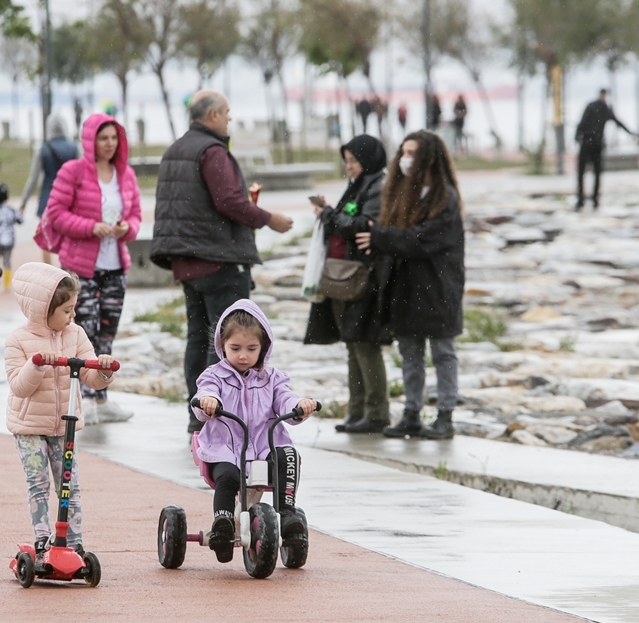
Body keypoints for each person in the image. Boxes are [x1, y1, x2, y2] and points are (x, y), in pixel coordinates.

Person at [150, 90, 294, 432]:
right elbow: (228, 200)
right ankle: (222, 420)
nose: (229, 118)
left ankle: (196, 416)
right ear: (212, 114)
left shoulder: (176, 149)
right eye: (227, 112)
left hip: (188, 261)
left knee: (198, 339)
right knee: (227, 342)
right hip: (219, 261)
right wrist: (268, 218)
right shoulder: (212, 151)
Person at [355, 131, 465, 440]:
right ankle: (411, 414)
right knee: (411, 354)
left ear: (429, 157)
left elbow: (424, 239)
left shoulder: (445, 197)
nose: (404, 159)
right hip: (405, 287)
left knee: (443, 352)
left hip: (439, 286)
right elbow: (400, 236)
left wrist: (381, 237)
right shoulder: (400, 191)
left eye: (412, 152)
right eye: (403, 151)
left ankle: (445, 416)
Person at [4, 263, 117, 557]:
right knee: (38, 482)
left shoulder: (75, 335)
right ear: (45, 310)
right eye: (67, 310)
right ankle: (42, 537)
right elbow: (19, 386)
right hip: (29, 426)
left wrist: (103, 370)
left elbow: (91, 376)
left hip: (63, 427)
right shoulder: (18, 340)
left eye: (73, 308)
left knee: (69, 486)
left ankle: (73, 540)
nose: (73, 315)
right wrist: (37, 364)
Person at [192, 300, 315, 562]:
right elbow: (204, 395)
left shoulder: (272, 379)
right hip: (225, 447)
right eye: (235, 348)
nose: (243, 356)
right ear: (222, 345)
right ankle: (223, 524)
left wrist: (299, 405)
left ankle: (288, 513)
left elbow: (285, 398)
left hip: (263, 446)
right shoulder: (214, 376)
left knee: (288, 455)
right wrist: (208, 402)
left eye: (252, 349)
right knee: (227, 475)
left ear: (264, 348)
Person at [43, 113, 142, 425]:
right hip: (81, 268)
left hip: (115, 267)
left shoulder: (125, 175)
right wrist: (91, 227)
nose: (110, 144)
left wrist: (127, 228)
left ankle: (102, 396)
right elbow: (55, 213)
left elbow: (137, 215)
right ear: (90, 140)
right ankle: (85, 399)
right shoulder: (73, 172)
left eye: (114, 138)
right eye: (103, 138)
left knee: (108, 334)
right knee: (85, 334)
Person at [304, 134, 390, 434]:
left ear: (368, 160)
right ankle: (357, 410)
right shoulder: (359, 185)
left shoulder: (378, 185)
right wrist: (332, 214)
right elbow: (350, 220)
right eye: (347, 161)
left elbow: (361, 225)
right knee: (352, 343)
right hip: (342, 274)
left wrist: (329, 215)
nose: (349, 167)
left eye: (354, 161)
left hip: (362, 276)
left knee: (365, 344)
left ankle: (376, 412)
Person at [20, 114, 79, 264]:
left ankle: (49, 272)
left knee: (46, 237)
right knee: (68, 236)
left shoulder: (42, 149)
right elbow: (82, 176)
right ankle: (66, 270)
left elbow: (33, 179)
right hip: (70, 198)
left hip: (48, 197)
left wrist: (23, 202)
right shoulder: (75, 148)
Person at [574, 89, 636, 210]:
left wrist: (577, 137)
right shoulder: (605, 108)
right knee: (596, 173)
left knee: (582, 172)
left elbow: (582, 123)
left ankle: (581, 200)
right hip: (597, 143)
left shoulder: (591, 106)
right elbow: (618, 122)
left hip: (587, 142)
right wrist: (631, 133)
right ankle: (595, 200)